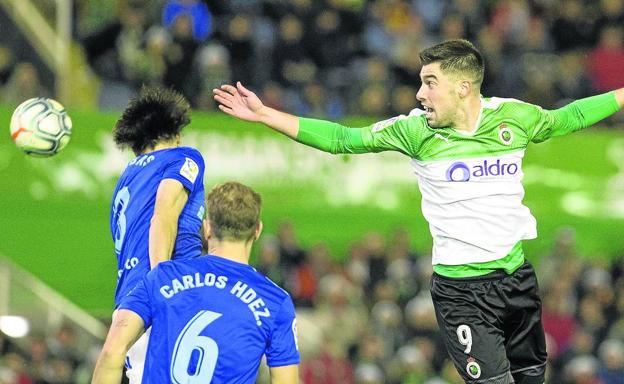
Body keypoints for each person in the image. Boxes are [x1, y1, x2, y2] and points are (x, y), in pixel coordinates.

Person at [213, 39, 624, 384]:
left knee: (533, 377)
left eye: (430, 83)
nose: (420, 94)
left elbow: (567, 116)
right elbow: (342, 139)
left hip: (516, 278)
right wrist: (265, 114)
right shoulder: (415, 131)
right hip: (462, 292)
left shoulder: (514, 118)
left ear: (463, 88)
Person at [93, 182, 300, 383]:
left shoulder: (163, 277)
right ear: (257, 230)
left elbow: (112, 352)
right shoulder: (275, 301)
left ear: (207, 228)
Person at [110, 86, 205, 382]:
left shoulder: (126, 179)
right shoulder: (182, 158)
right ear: (175, 132)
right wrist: (162, 280)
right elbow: (163, 215)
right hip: (166, 293)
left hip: (129, 298)